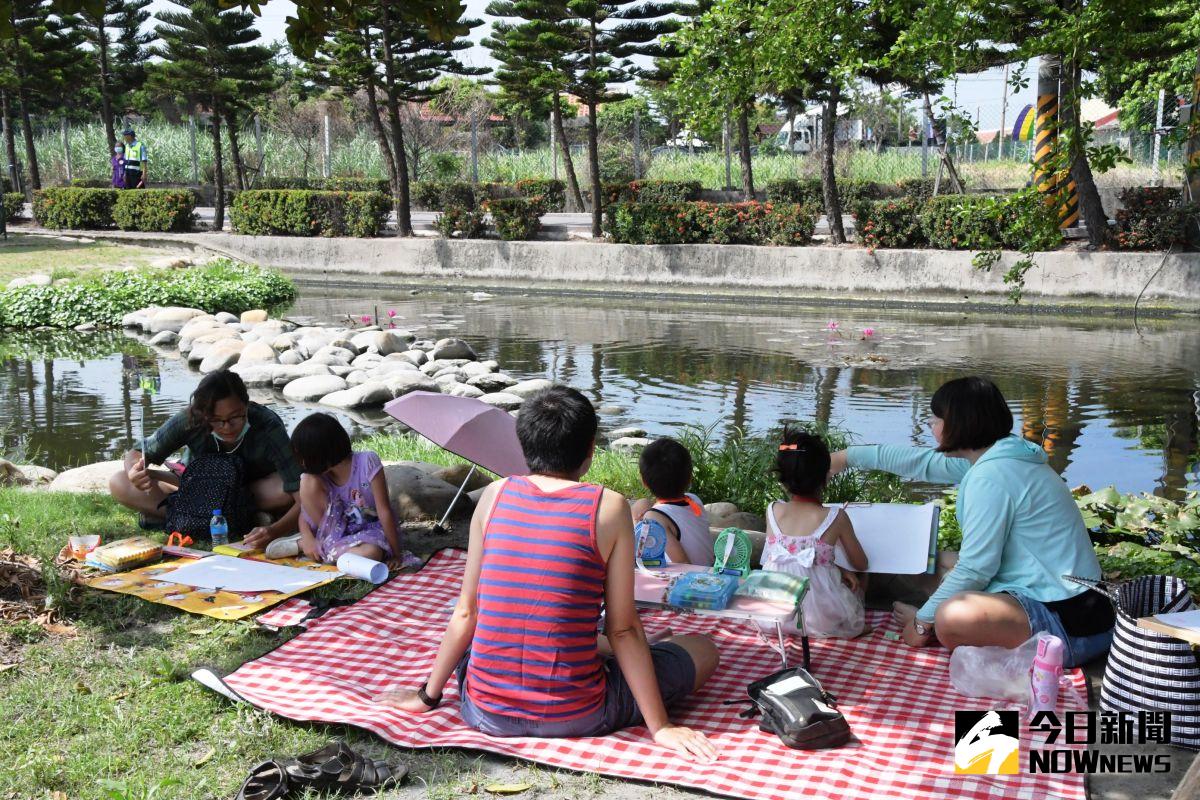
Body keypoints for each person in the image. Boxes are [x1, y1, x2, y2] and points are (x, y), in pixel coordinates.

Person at [377, 386, 720, 761]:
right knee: (702, 649)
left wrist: (428, 695)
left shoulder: (493, 495)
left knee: (500, 622)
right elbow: (622, 629)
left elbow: (466, 613)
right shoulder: (609, 507)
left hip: (484, 711)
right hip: (579, 712)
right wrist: (661, 727)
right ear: (590, 451)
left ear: (524, 444)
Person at [828, 376, 1114, 668]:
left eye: (935, 419)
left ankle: (942, 624)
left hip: (1068, 622)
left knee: (951, 616)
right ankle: (943, 615)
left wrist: (921, 624)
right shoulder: (999, 454)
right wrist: (843, 459)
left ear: (958, 424)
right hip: (1049, 594)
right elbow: (919, 462)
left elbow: (978, 567)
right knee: (931, 563)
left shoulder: (991, 477)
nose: (930, 425)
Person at [108, 370, 300, 547]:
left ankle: (180, 517)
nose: (227, 427)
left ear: (247, 405)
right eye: (216, 420)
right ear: (203, 414)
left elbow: (302, 495)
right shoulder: (190, 419)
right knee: (119, 481)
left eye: (236, 417)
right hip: (195, 490)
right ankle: (243, 518)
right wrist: (134, 470)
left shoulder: (268, 425)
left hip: (249, 491)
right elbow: (137, 452)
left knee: (284, 490)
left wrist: (275, 531)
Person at [763, 428, 869, 638]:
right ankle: (854, 624)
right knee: (862, 580)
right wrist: (842, 569)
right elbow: (861, 563)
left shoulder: (772, 510)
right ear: (825, 477)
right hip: (818, 618)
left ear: (783, 478)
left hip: (771, 613)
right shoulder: (835, 516)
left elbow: (783, 558)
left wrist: (832, 564)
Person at [290, 412, 401, 564]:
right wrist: (307, 537)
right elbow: (305, 514)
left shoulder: (367, 462)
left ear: (320, 454)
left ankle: (320, 550)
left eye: (305, 458)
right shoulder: (318, 478)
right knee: (306, 481)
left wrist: (396, 554)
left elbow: (384, 510)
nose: (302, 464)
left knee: (371, 553)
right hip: (334, 534)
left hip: (368, 530)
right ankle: (315, 546)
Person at [630, 438, 714, 566]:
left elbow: (683, 563)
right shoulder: (693, 499)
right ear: (690, 477)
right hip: (707, 568)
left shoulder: (655, 517)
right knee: (642, 504)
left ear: (644, 481)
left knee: (639, 512)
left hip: (690, 578)